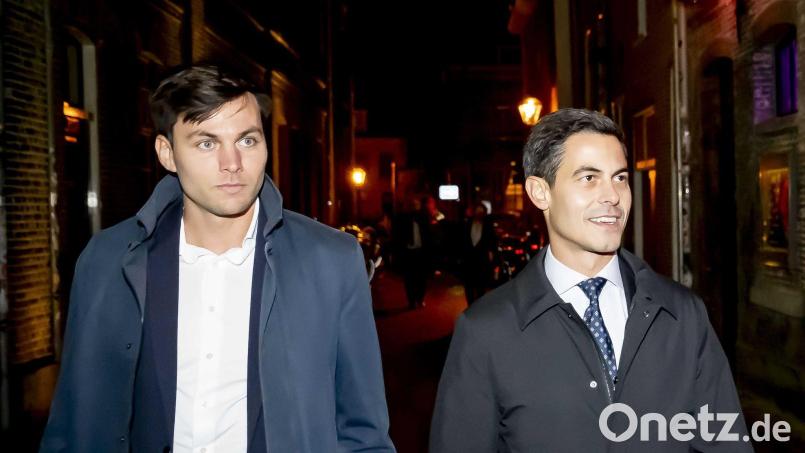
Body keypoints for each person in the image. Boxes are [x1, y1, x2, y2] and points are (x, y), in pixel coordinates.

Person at [40, 65, 395, 453]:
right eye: (206, 143)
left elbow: (364, 433)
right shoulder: (106, 260)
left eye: (246, 140)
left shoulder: (333, 262)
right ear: (167, 153)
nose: (232, 163)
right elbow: (73, 421)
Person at [430, 108, 751, 452]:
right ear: (540, 193)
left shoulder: (682, 314)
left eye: (620, 178)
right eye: (588, 178)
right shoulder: (486, 331)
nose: (612, 196)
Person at [394, 196, 431, 309]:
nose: (415, 207)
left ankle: (420, 298)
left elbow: (428, 235)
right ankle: (411, 301)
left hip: (420, 252)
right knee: (409, 278)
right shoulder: (404, 218)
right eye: (413, 205)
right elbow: (399, 234)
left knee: (421, 277)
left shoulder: (424, 218)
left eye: (417, 204)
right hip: (409, 252)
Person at [460, 203, 497, 305]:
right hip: (469, 261)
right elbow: (462, 241)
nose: (479, 214)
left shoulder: (488, 227)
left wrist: (492, 256)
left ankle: (478, 307)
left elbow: (493, 243)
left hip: (482, 261)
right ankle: (470, 306)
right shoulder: (467, 225)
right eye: (477, 211)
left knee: (481, 286)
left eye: (481, 212)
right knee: (469, 286)